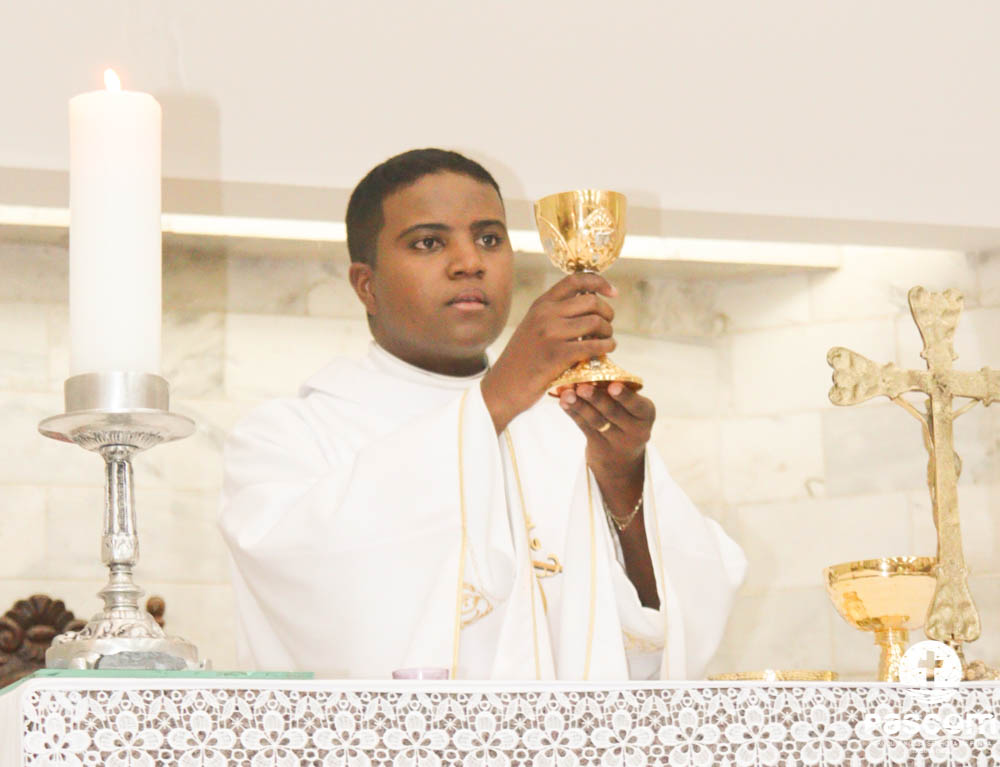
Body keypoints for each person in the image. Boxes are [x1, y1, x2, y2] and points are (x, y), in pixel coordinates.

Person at [219, 148, 745, 680]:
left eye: (489, 239)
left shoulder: (570, 424)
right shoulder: (288, 436)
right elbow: (313, 586)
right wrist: (496, 397)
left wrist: (623, 477)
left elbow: (688, 607)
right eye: (429, 242)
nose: (469, 262)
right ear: (366, 285)